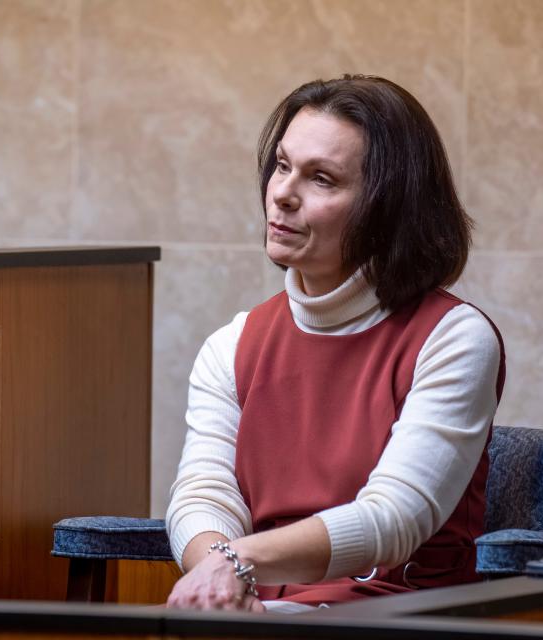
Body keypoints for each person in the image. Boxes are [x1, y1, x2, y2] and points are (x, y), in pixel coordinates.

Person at [165, 75, 504, 612]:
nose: (282, 193)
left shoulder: (455, 338)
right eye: (282, 165)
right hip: (259, 614)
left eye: (321, 178)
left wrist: (236, 564)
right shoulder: (231, 345)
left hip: (398, 614)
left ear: (388, 207)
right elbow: (203, 496)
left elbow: (393, 519)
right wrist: (223, 585)